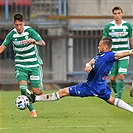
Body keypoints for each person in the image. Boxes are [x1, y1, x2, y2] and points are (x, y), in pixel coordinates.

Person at [28, 38, 133, 113]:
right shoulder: (99, 56)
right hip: (100, 86)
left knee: (63, 92)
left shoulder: (109, 55)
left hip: (91, 87)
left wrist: (130, 51)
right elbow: (92, 61)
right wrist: (88, 65)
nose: (98, 47)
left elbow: (119, 55)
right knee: (111, 100)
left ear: (105, 47)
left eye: (99, 45)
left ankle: (36, 99)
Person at [0, 14, 46, 117]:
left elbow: (43, 43)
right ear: (14, 24)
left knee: (37, 92)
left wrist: (35, 42)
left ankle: (40, 86)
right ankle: (32, 110)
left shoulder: (30, 31)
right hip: (20, 65)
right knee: (23, 87)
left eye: (20, 24)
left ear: (23, 23)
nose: (19, 27)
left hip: (33, 64)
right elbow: (2, 47)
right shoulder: (11, 34)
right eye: (16, 25)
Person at [102, 6, 133, 99]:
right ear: (113, 15)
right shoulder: (109, 26)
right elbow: (104, 40)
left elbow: (131, 39)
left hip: (124, 54)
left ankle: (118, 97)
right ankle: (116, 92)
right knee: (112, 79)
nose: (117, 15)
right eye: (115, 14)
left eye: (119, 13)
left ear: (122, 14)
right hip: (113, 55)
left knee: (121, 75)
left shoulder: (127, 26)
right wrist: (102, 51)